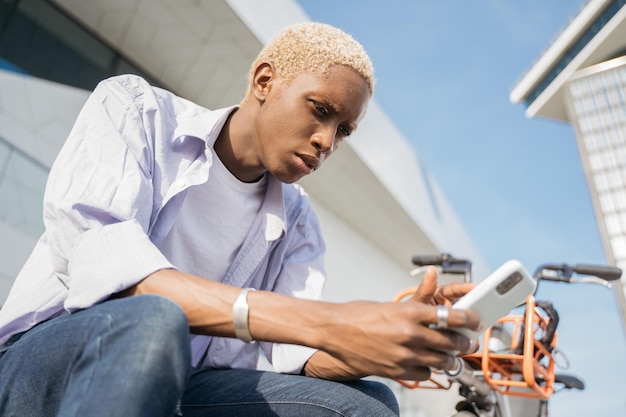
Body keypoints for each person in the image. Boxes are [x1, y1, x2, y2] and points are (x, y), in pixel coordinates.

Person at [0, 22, 480, 416]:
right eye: (321, 111)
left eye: (344, 130)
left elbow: (297, 354)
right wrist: (331, 321)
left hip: (186, 388)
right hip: (50, 362)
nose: (327, 142)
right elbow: (106, 270)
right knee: (153, 321)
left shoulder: (298, 221)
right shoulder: (136, 109)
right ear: (265, 81)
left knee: (368, 405)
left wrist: (390, 334)